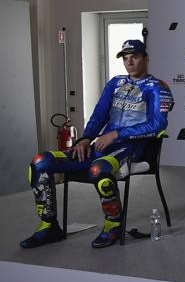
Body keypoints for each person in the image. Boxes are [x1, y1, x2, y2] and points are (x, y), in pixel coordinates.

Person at [21, 39, 174, 249]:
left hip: (132, 149)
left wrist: (117, 134)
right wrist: (85, 139)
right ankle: (49, 226)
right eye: (125, 58)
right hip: (101, 146)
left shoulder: (157, 87)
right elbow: (99, 115)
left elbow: (158, 125)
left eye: (135, 57)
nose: (129, 62)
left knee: (98, 170)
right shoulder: (115, 82)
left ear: (145, 58)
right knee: (40, 162)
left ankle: (113, 225)